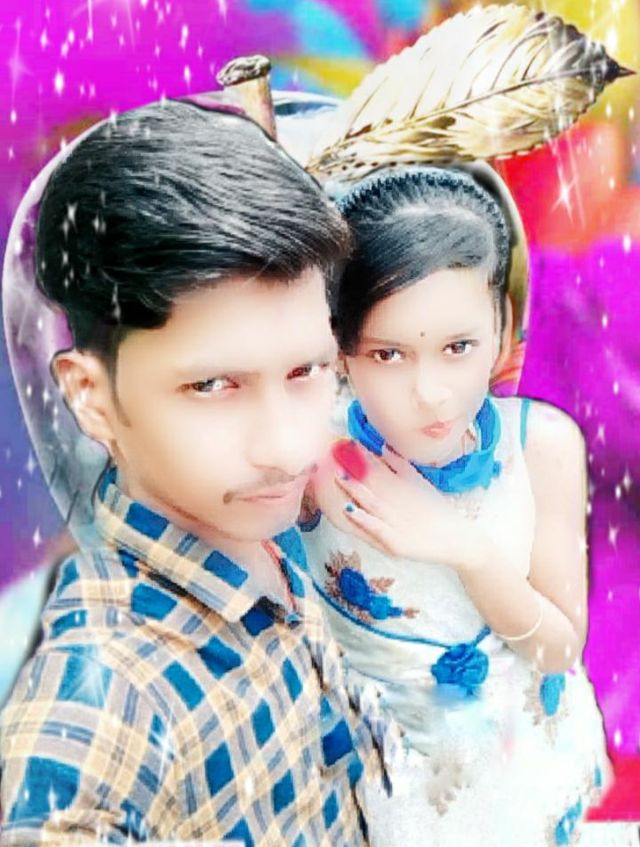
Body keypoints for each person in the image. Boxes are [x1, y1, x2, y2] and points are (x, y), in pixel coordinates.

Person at [0, 99, 395, 846]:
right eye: (213, 386)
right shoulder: (106, 698)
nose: (283, 446)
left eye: (307, 371)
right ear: (90, 396)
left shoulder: (256, 538)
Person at [301, 166, 610, 846]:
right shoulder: (311, 453)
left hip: (520, 765)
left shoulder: (541, 445)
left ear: (503, 327)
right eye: (389, 353)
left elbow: (559, 647)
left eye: (458, 347)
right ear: (341, 348)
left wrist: (465, 548)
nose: (431, 392)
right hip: (376, 777)